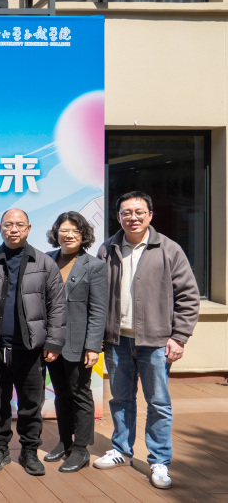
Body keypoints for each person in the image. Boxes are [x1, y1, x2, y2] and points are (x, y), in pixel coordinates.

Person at [93, 191, 199, 490]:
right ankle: (121, 449)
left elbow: (188, 296)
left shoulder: (169, 249)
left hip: (155, 341)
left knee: (158, 403)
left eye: (139, 212)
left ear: (150, 215)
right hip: (117, 341)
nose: (133, 217)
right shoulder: (108, 248)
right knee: (120, 399)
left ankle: (159, 460)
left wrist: (179, 337)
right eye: (126, 213)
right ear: (118, 217)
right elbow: (98, 295)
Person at [0, 208, 66, 477]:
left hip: (31, 349)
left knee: (31, 404)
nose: (14, 229)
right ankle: (0, 449)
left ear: (28, 228)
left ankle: (29, 450)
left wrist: (53, 343)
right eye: (8, 225)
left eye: (19, 225)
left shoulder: (44, 263)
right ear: (0, 228)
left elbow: (57, 306)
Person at [43, 211, 107, 472]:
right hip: (51, 342)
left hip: (79, 344)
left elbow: (99, 310)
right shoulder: (46, 260)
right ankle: (64, 441)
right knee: (60, 394)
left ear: (84, 235)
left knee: (80, 393)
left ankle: (81, 449)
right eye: (64, 230)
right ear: (56, 233)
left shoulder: (94, 266)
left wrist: (93, 346)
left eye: (75, 231)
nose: (69, 235)